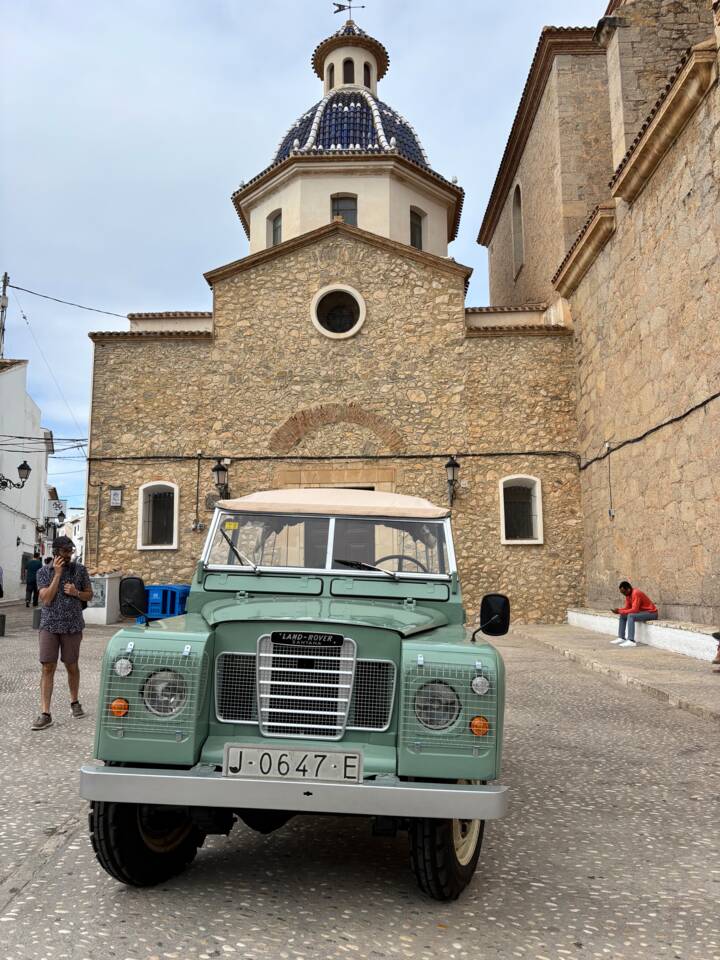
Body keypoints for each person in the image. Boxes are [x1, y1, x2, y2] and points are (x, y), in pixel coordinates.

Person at [32, 536, 93, 731]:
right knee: (47, 667)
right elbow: (46, 599)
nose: (69, 555)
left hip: (73, 625)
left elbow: (89, 595)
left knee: (71, 665)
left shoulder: (80, 570)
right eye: (66, 551)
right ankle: (45, 713)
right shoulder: (43, 572)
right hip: (49, 625)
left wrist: (77, 592)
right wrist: (57, 576)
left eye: (71, 551)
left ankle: (74, 702)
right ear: (56, 552)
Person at [610, 580, 658, 648]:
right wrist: (619, 610)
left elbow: (634, 610)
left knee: (631, 616)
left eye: (624, 592)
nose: (623, 594)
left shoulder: (636, 593)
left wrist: (620, 611)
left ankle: (631, 640)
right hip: (643, 613)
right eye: (622, 593)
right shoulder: (628, 595)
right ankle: (621, 637)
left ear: (628, 589)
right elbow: (627, 608)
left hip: (652, 613)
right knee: (623, 615)